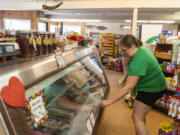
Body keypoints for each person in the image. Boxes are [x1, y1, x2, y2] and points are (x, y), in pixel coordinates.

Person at [100, 34, 166, 135]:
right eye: (121, 50)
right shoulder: (139, 50)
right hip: (154, 85)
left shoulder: (139, 60)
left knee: (137, 117)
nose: (122, 53)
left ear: (132, 47)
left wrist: (108, 102)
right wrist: (125, 57)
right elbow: (126, 64)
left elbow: (128, 87)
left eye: (124, 50)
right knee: (140, 116)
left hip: (152, 89)